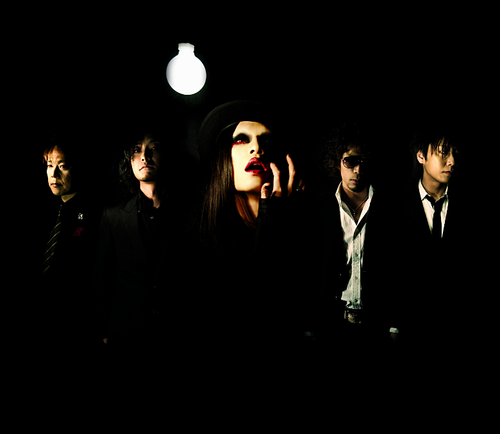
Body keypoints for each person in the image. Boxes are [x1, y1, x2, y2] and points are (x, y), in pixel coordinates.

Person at [195, 100, 307, 353]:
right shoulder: (203, 228)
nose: (257, 148)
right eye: (242, 140)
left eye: (266, 141)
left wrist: (285, 215)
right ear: (223, 157)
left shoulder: (299, 219)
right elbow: (248, 304)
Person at [95, 124, 194, 359]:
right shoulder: (113, 215)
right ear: (129, 160)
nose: (144, 156)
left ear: (166, 154)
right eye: (137, 150)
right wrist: (102, 329)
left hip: (177, 336)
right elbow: (101, 276)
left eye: (153, 148)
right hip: (126, 337)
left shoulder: (191, 213)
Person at [306, 122, 397, 370]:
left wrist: (395, 325)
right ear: (337, 162)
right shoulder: (318, 208)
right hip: (331, 328)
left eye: (364, 162)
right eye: (350, 161)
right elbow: (307, 269)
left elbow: (399, 267)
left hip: (377, 328)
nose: (358, 169)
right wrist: (309, 327)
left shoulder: (390, 208)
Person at [396, 127, 473, 361]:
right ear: (421, 156)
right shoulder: (395, 206)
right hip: (410, 332)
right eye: (443, 152)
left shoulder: (470, 205)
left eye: (455, 153)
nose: (452, 161)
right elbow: (389, 270)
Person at [38, 133, 103, 353]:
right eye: (49, 165)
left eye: (62, 166)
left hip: (75, 326)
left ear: (76, 168)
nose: (53, 174)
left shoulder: (95, 214)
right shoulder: (48, 210)